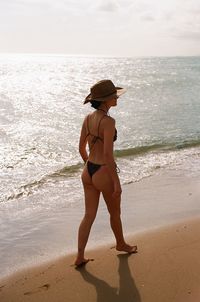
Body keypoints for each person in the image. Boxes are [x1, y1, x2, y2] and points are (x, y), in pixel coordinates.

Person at [74, 80, 137, 267]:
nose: (117, 98)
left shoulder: (87, 119)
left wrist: (89, 166)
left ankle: (79, 256)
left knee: (88, 215)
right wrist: (116, 182)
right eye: (113, 96)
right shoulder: (108, 121)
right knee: (115, 212)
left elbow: (81, 148)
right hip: (103, 171)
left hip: (88, 171)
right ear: (105, 100)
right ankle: (121, 244)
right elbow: (108, 155)